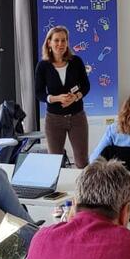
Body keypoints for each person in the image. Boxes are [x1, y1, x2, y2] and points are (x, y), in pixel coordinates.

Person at [35, 25, 91, 168]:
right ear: (49, 42)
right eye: (57, 40)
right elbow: (39, 93)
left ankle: (84, 190)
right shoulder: (42, 66)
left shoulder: (76, 61)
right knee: (55, 163)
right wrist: (56, 98)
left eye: (64, 40)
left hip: (77, 118)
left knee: (82, 162)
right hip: (54, 120)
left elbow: (86, 86)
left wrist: (76, 97)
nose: (60, 44)